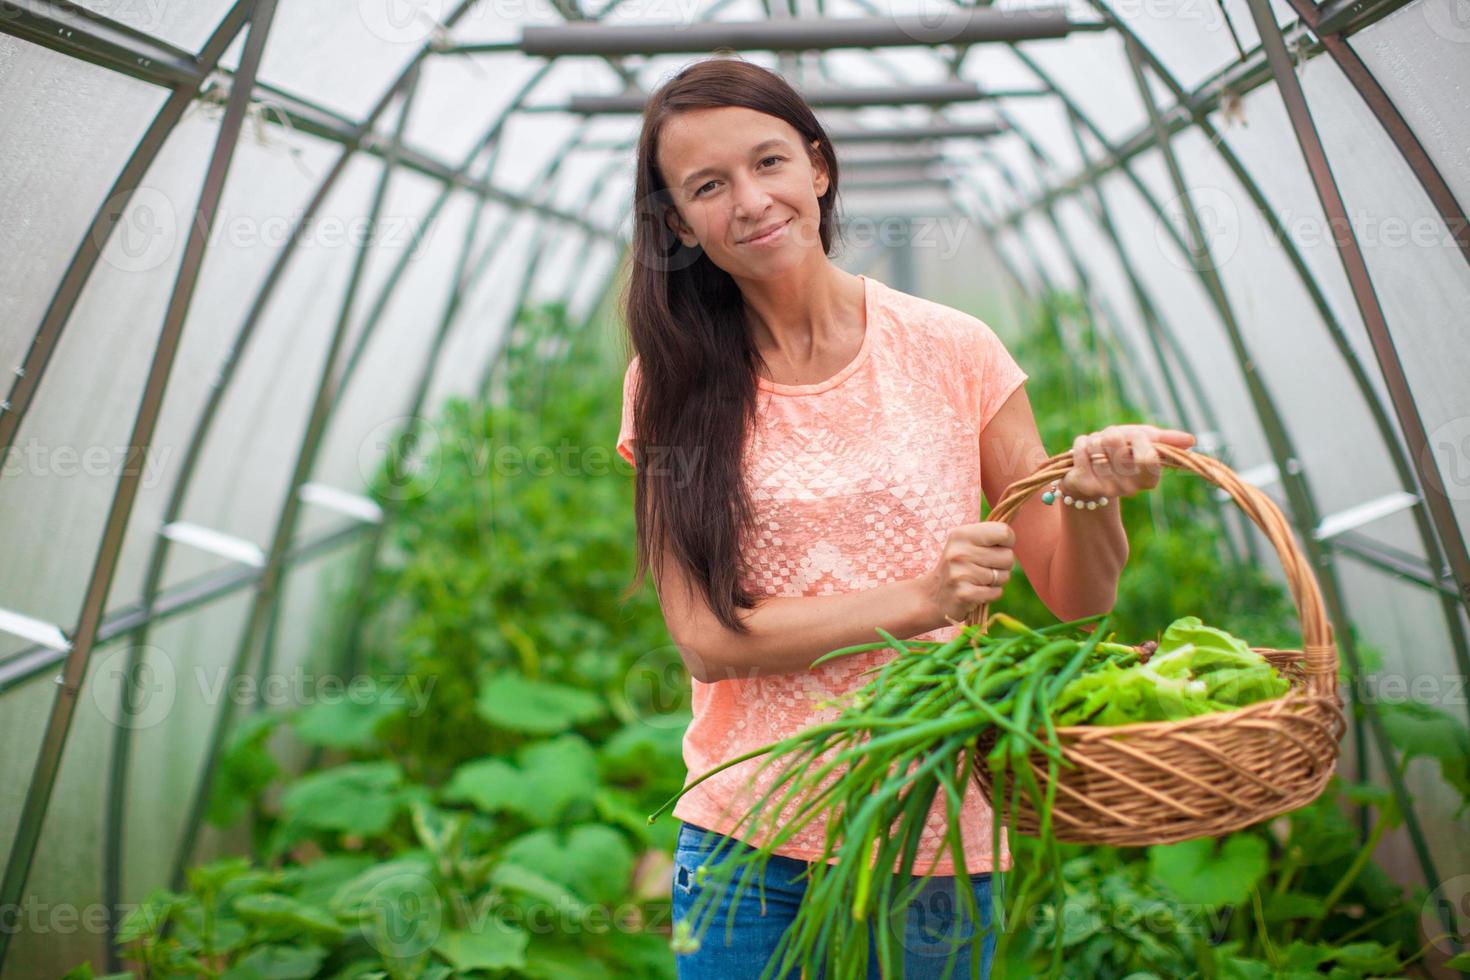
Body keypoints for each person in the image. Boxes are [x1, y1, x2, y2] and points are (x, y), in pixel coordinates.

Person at [614, 57, 1195, 980]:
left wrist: (1087, 496)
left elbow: (1077, 599)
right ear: (680, 222)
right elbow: (704, 640)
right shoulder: (671, 385)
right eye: (708, 186)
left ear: (818, 166)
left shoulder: (956, 350)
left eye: (769, 163)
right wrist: (924, 597)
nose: (751, 201)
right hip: (746, 840)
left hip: (932, 834)